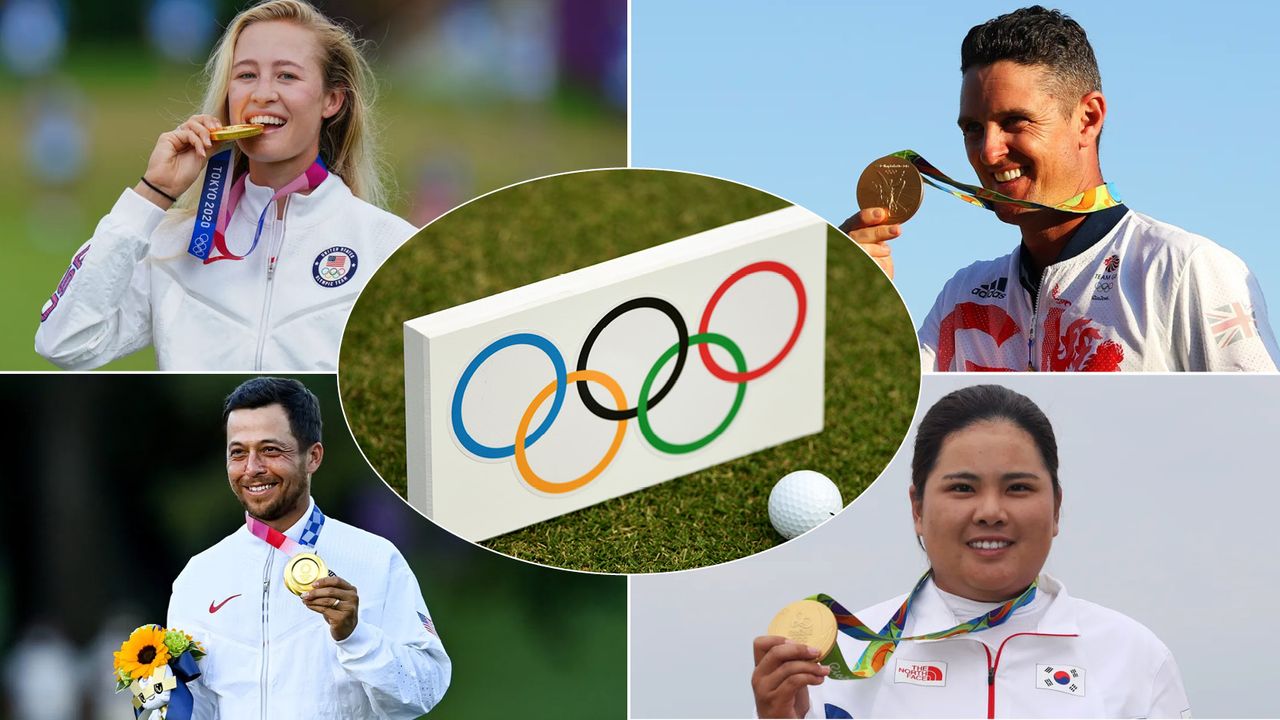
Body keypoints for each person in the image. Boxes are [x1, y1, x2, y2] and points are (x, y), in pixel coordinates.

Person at [844, 6, 1278, 372]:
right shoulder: (962, 297)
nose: (989, 152)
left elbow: (1264, 441)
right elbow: (886, 433)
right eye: (973, 129)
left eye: (1015, 122)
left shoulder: (1183, 271)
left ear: (1087, 118)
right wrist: (853, 309)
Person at [750, 384, 1189, 718]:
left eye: (1018, 488)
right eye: (962, 488)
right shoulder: (840, 656)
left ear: (1056, 507)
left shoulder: (1134, 658)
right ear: (918, 509)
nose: (991, 511)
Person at [34, 0, 416, 371]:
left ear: (332, 100)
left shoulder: (390, 247)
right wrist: (152, 194)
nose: (262, 93)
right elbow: (63, 341)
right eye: (246, 75)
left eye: (287, 75)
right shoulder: (173, 245)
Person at [167, 377, 450, 718]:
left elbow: (426, 688)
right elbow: (196, 708)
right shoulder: (199, 575)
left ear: (313, 456)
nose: (252, 469)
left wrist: (356, 637)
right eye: (238, 453)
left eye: (271, 450)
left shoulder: (374, 558)